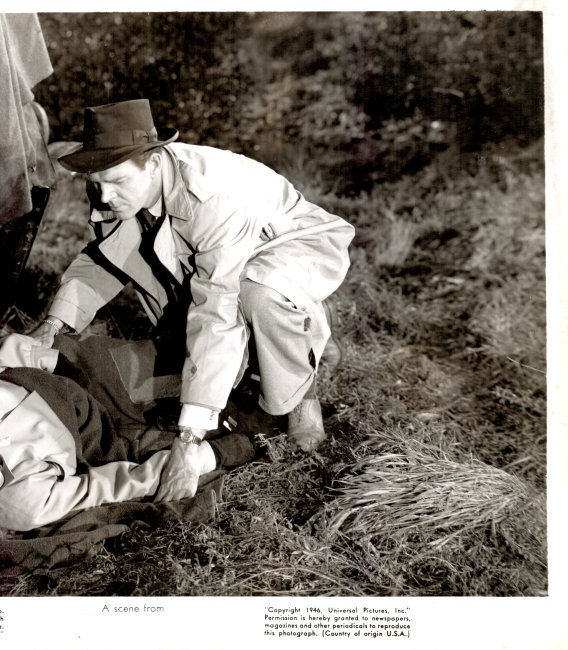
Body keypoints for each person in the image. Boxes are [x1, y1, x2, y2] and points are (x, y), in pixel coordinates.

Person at [29, 99, 355, 503]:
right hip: (224, 258)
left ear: (153, 162)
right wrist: (53, 324)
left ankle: (302, 393)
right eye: (96, 183)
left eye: (116, 182)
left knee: (257, 294)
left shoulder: (214, 196)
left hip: (294, 244)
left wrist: (188, 440)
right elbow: (104, 259)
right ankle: (296, 335)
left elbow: (216, 312)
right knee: (187, 332)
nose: (105, 196)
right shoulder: (117, 184)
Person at [0, 333, 256, 552]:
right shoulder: (22, 504)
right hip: (110, 425)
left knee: (210, 353)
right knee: (243, 411)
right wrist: (205, 456)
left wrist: (50, 359)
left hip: (81, 367)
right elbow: (114, 485)